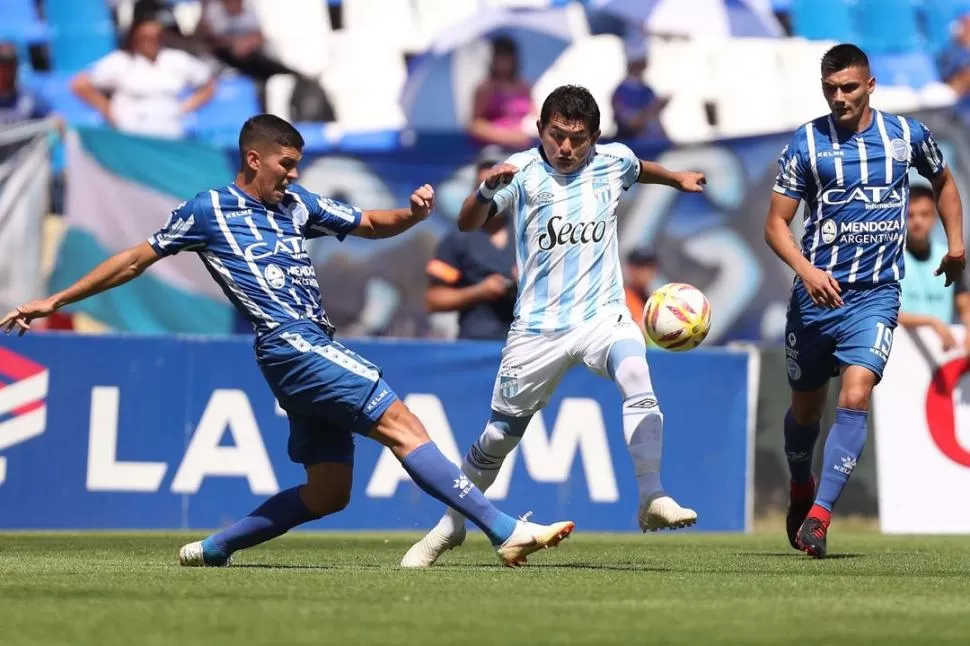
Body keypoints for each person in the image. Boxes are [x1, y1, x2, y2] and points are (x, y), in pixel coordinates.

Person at [0, 114, 574, 568]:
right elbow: (133, 261)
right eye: (287, 164)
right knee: (405, 425)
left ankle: (216, 547)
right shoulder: (211, 209)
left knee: (328, 493)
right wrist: (54, 300)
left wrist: (412, 213)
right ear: (255, 159)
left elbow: (370, 224)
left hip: (304, 352)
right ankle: (503, 530)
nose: (295, 174)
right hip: (290, 344)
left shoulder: (295, 206)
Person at [401, 85, 706, 568]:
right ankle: (449, 526)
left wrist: (677, 178)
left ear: (595, 137)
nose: (565, 149)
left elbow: (641, 168)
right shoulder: (521, 171)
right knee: (500, 434)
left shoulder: (614, 162)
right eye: (556, 136)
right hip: (538, 330)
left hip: (601, 317)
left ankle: (652, 494)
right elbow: (466, 223)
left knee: (635, 369)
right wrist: (484, 191)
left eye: (577, 139)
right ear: (541, 130)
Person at [765, 44, 965, 558]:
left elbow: (942, 180)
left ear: (870, 85)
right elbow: (775, 225)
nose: (839, 97)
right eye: (830, 89)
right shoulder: (807, 142)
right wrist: (807, 271)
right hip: (816, 299)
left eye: (849, 87)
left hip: (875, 296)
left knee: (855, 394)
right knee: (806, 413)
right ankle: (800, 484)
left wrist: (957, 243)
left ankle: (820, 519)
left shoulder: (904, 136)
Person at [71, 17, 215, 139]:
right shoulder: (120, 61)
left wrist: (186, 107)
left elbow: (207, 82)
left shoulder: (176, 59)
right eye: (144, 37)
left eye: (155, 37)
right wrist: (109, 111)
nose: (150, 42)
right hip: (133, 135)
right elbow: (81, 84)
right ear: (134, 38)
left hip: (171, 135)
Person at [425, 150, 516, 340]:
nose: (494, 195)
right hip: (476, 347)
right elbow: (434, 300)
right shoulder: (458, 239)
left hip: (529, 347)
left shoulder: (531, 233)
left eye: (501, 187)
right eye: (487, 187)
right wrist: (479, 292)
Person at [899, 184, 970, 351]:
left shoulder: (949, 257)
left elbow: (963, 301)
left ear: (935, 217)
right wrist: (931, 322)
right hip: (900, 352)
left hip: (941, 352)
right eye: (910, 215)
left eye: (924, 214)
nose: (917, 221)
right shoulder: (891, 259)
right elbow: (887, 312)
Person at [468, 36, 536, 150]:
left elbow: (535, 116)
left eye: (507, 57)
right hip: (494, 148)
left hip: (523, 147)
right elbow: (475, 125)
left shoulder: (524, 86)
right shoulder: (486, 87)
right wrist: (507, 137)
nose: (504, 62)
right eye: (500, 57)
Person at [611, 43, 668, 141]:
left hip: (653, 144)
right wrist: (653, 109)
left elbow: (657, 122)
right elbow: (631, 124)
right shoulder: (621, 93)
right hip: (634, 146)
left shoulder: (647, 90)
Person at [0, 41, 53, 126]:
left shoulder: (29, 99)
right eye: (3, 65)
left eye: (12, 64)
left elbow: (55, 119)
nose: (8, 71)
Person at [622, 247, 660, 340]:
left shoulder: (654, 298)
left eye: (650, 266)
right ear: (630, 268)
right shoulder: (621, 297)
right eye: (641, 265)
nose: (646, 271)